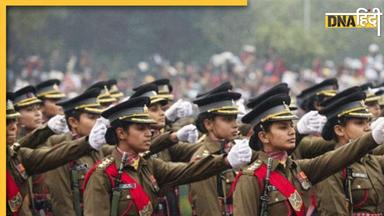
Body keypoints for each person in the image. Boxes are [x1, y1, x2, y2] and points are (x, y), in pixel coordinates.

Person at [82, 96, 252, 216]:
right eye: (141, 129)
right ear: (121, 133)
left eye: (149, 128)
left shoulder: (148, 165)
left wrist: (226, 161)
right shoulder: (102, 175)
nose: (149, 133)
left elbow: (190, 170)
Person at [232, 92, 384, 215]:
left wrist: (373, 138)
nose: (292, 131)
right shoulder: (251, 178)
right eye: (283, 127)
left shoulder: (297, 168)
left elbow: (340, 156)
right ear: (264, 136)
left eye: (291, 125)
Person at [6, 96, 105, 216]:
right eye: (7, 122)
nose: (13, 126)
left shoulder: (17, 155)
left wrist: (88, 142)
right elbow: (62, 203)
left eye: (14, 120)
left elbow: (53, 155)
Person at [314, 87, 384, 215]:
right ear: (340, 130)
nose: (368, 128)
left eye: (368, 122)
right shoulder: (330, 168)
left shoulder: (370, 161)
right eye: (359, 123)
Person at [189, 82, 241, 216]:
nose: (235, 125)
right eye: (227, 119)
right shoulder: (203, 159)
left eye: (235, 118)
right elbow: (208, 209)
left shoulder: (236, 150)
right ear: (208, 124)